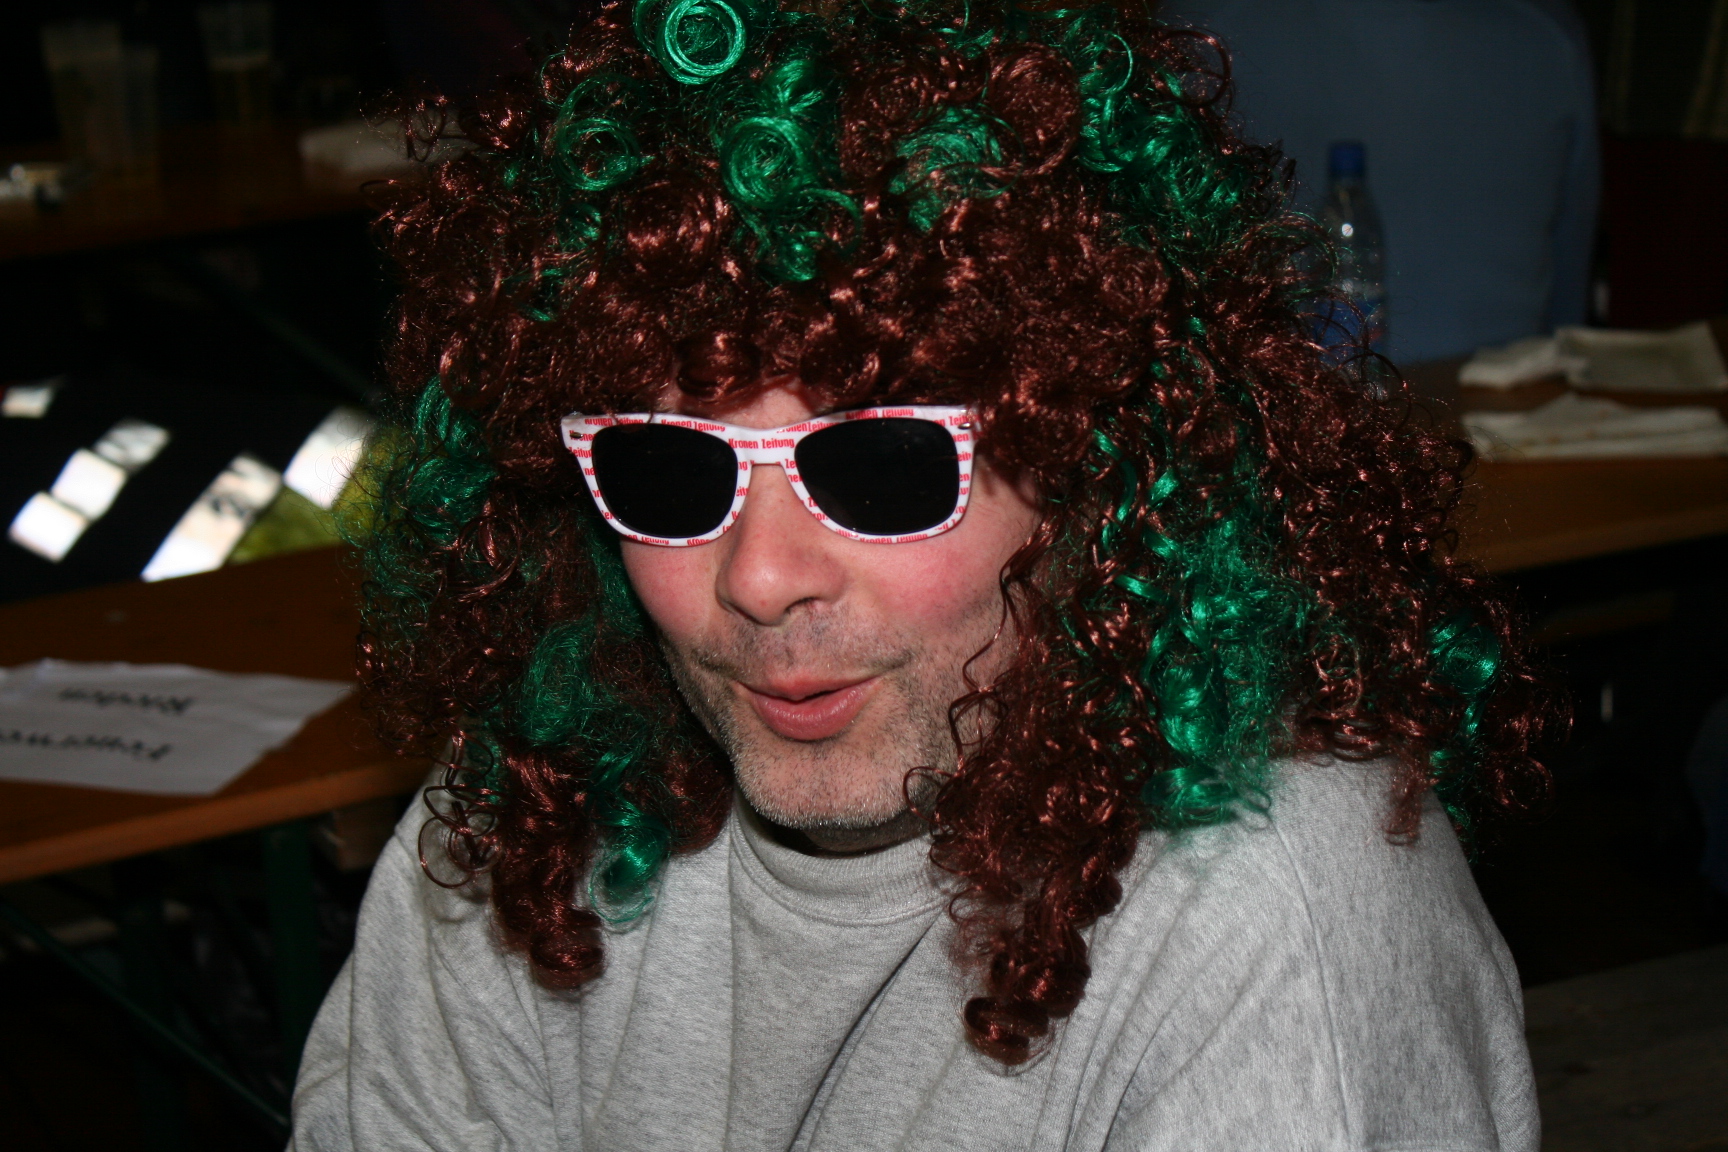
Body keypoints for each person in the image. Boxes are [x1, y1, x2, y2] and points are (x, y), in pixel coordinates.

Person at [290, 1, 1559, 1147]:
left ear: (1095, 468)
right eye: (668, 471)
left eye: (882, 466)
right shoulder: (528, 810)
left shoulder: (1270, 919)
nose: (761, 579)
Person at [1167, 0, 1599, 364]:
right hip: (1511, 412)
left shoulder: (1195, 27)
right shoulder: (1543, 32)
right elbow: (1570, 302)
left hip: (1260, 412)